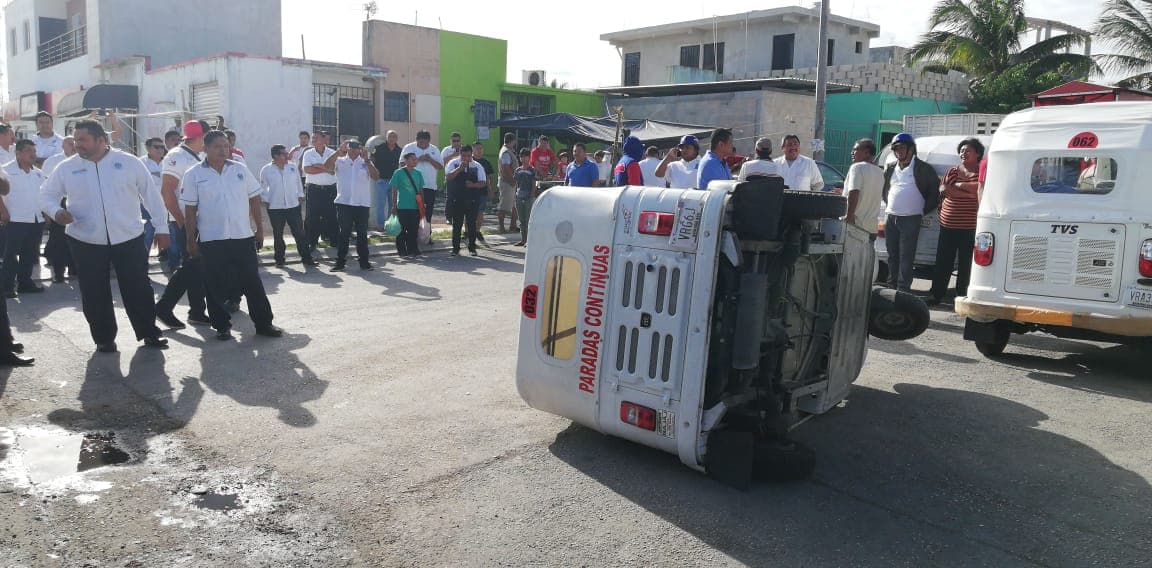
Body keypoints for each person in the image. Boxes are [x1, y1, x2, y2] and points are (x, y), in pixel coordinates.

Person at [40, 119, 170, 353]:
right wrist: (57, 211)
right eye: (76, 139)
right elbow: (46, 195)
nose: (77, 144)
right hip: (85, 240)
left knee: (138, 288)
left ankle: (149, 332)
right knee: (94, 291)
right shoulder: (67, 167)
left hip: (128, 236)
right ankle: (104, 338)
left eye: (83, 140)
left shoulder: (128, 163)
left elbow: (151, 197)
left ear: (101, 140)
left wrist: (162, 229)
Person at [181, 130, 282, 341]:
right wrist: (191, 240)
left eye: (226, 146)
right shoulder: (194, 174)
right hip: (212, 239)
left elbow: (254, 198)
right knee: (214, 285)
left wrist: (260, 229)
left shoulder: (240, 170)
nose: (223, 150)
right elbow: (190, 210)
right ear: (205, 148)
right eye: (217, 146)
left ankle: (264, 323)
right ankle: (222, 326)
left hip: (241, 237)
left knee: (252, 283)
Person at [154, 120, 214, 328]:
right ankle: (163, 307)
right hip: (185, 221)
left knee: (198, 267)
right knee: (191, 265)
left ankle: (197, 311)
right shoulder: (176, 157)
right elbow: (167, 191)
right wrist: (182, 223)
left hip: (201, 221)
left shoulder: (200, 155)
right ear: (202, 136)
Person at [881, 132, 941, 292]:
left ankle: (902, 288)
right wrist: (891, 205)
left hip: (911, 218)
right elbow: (885, 190)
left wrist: (921, 210)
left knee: (906, 256)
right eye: (896, 148)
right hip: (891, 216)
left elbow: (934, 194)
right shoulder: (891, 168)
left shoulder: (923, 169)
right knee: (892, 254)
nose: (899, 151)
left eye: (902, 148)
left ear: (911, 149)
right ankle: (891, 285)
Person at [929, 137, 984, 305]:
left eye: (967, 151)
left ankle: (962, 295)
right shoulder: (953, 171)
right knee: (943, 261)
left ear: (978, 154)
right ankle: (936, 294)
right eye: (961, 151)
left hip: (971, 227)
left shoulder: (982, 171)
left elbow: (981, 189)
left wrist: (958, 186)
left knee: (966, 263)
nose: (963, 153)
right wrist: (969, 192)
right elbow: (945, 189)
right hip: (948, 225)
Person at [1, 140, 45, 297]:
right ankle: (7, 286)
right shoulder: (5, 171)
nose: (33, 154)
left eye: (34, 150)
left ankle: (25, 283)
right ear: (17, 153)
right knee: (10, 254)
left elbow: (43, 195)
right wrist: (3, 211)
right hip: (14, 219)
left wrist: (45, 213)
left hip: (35, 219)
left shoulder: (38, 173)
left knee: (29, 253)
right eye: (28, 150)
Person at [326, 140, 378, 271]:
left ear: (360, 149)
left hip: (362, 204)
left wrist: (367, 160)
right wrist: (338, 152)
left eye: (357, 148)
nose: (354, 150)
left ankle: (364, 262)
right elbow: (327, 167)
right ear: (347, 149)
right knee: (344, 233)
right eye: (351, 148)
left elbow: (376, 176)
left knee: (362, 234)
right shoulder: (340, 160)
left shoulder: (365, 162)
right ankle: (340, 262)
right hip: (344, 203)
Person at [260, 144, 315, 268]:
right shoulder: (266, 170)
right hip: (275, 207)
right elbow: (263, 187)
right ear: (275, 156)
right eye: (283, 154)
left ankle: (307, 258)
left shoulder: (292, 167)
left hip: (293, 206)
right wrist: (266, 200)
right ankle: (279, 259)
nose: (287, 155)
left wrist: (300, 194)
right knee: (278, 234)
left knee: (299, 233)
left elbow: (298, 182)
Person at [42, 137, 75, 283]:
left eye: (75, 142)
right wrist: (49, 211)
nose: (73, 146)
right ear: (62, 146)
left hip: (78, 202)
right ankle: (59, 273)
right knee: (58, 241)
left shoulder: (86, 160)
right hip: (59, 203)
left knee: (77, 239)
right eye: (69, 143)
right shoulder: (53, 162)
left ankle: (75, 269)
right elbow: (46, 188)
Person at [444, 145, 487, 256]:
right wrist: (459, 169)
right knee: (457, 224)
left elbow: (483, 182)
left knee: (471, 223)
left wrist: (473, 185)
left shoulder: (477, 166)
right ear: (460, 154)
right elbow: (448, 177)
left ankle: (472, 247)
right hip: (457, 199)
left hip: (472, 199)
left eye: (468, 156)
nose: (466, 158)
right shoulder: (453, 163)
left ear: (471, 154)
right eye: (463, 156)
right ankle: (455, 248)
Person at [399, 130, 442, 239]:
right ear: (417, 140)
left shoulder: (434, 149)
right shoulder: (409, 148)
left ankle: (426, 236)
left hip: (429, 186)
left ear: (429, 141)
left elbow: (440, 167)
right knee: (413, 213)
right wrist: (418, 159)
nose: (423, 145)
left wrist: (430, 159)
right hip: (412, 187)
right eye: (421, 142)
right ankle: (412, 237)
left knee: (427, 214)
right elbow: (401, 164)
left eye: (425, 143)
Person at [302, 131, 338, 248]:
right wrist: (325, 169)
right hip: (314, 190)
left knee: (332, 215)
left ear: (323, 140)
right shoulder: (308, 153)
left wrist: (318, 166)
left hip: (330, 190)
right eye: (312, 138)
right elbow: (307, 170)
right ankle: (312, 242)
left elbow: (333, 170)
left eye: (315, 138)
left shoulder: (332, 153)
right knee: (312, 217)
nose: (312, 140)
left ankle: (334, 241)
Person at [842, 138, 883, 237]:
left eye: (855, 149)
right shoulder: (880, 172)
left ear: (866, 153)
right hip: (872, 228)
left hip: (856, 226)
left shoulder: (857, 167)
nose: (852, 152)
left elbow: (854, 192)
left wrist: (849, 216)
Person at [390, 152, 424, 258]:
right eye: (412, 159)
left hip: (415, 206)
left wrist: (422, 204)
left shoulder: (418, 173)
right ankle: (401, 250)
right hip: (402, 206)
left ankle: (412, 248)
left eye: (416, 159)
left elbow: (420, 190)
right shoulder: (398, 173)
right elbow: (394, 190)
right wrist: (394, 205)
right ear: (406, 160)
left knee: (413, 229)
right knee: (401, 230)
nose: (415, 161)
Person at [139, 137, 167, 255]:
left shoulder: (168, 162)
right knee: (147, 236)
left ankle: (174, 265)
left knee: (169, 236)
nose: (160, 150)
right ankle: (142, 266)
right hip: (147, 206)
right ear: (148, 148)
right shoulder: (140, 163)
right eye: (157, 147)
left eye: (162, 147)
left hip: (167, 205)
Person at [370, 130, 402, 229]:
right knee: (381, 203)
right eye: (390, 136)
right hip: (381, 180)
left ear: (396, 138)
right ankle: (380, 225)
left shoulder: (399, 150)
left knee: (393, 204)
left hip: (394, 181)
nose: (392, 138)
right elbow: (372, 159)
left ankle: (391, 224)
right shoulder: (379, 148)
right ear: (386, 137)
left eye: (394, 136)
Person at [496, 132, 520, 234]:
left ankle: (513, 226)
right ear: (513, 141)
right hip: (507, 182)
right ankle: (501, 227)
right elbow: (506, 167)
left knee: (514, 205)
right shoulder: (506, 152)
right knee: (504, 206)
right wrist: (513, 179)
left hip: (510, 182)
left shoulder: (508, 151)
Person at [472, 142, 494, 245]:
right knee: (469, 213)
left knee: (480, 213)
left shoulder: (486, 163)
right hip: (470, 192)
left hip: (483, 192)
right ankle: (467, 232)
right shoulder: (469, 161)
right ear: (473, 150)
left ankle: (477, 231)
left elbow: (490, 178)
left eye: (481, 148)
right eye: (477, 149)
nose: (479, 150)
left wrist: (492, 191)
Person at [514, 149, 537, 247]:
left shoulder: (532, 170)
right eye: (521, 156)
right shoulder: (518, 170)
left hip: (528, 197)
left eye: (526, 156)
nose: (523, 158)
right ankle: (523, 239)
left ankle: (529, 240)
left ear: (529, 157)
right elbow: (516, 184)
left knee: (528, 220)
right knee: (521, 220)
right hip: (519, 196)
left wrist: (531, 195)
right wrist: (515, 195)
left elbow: (534, 184)